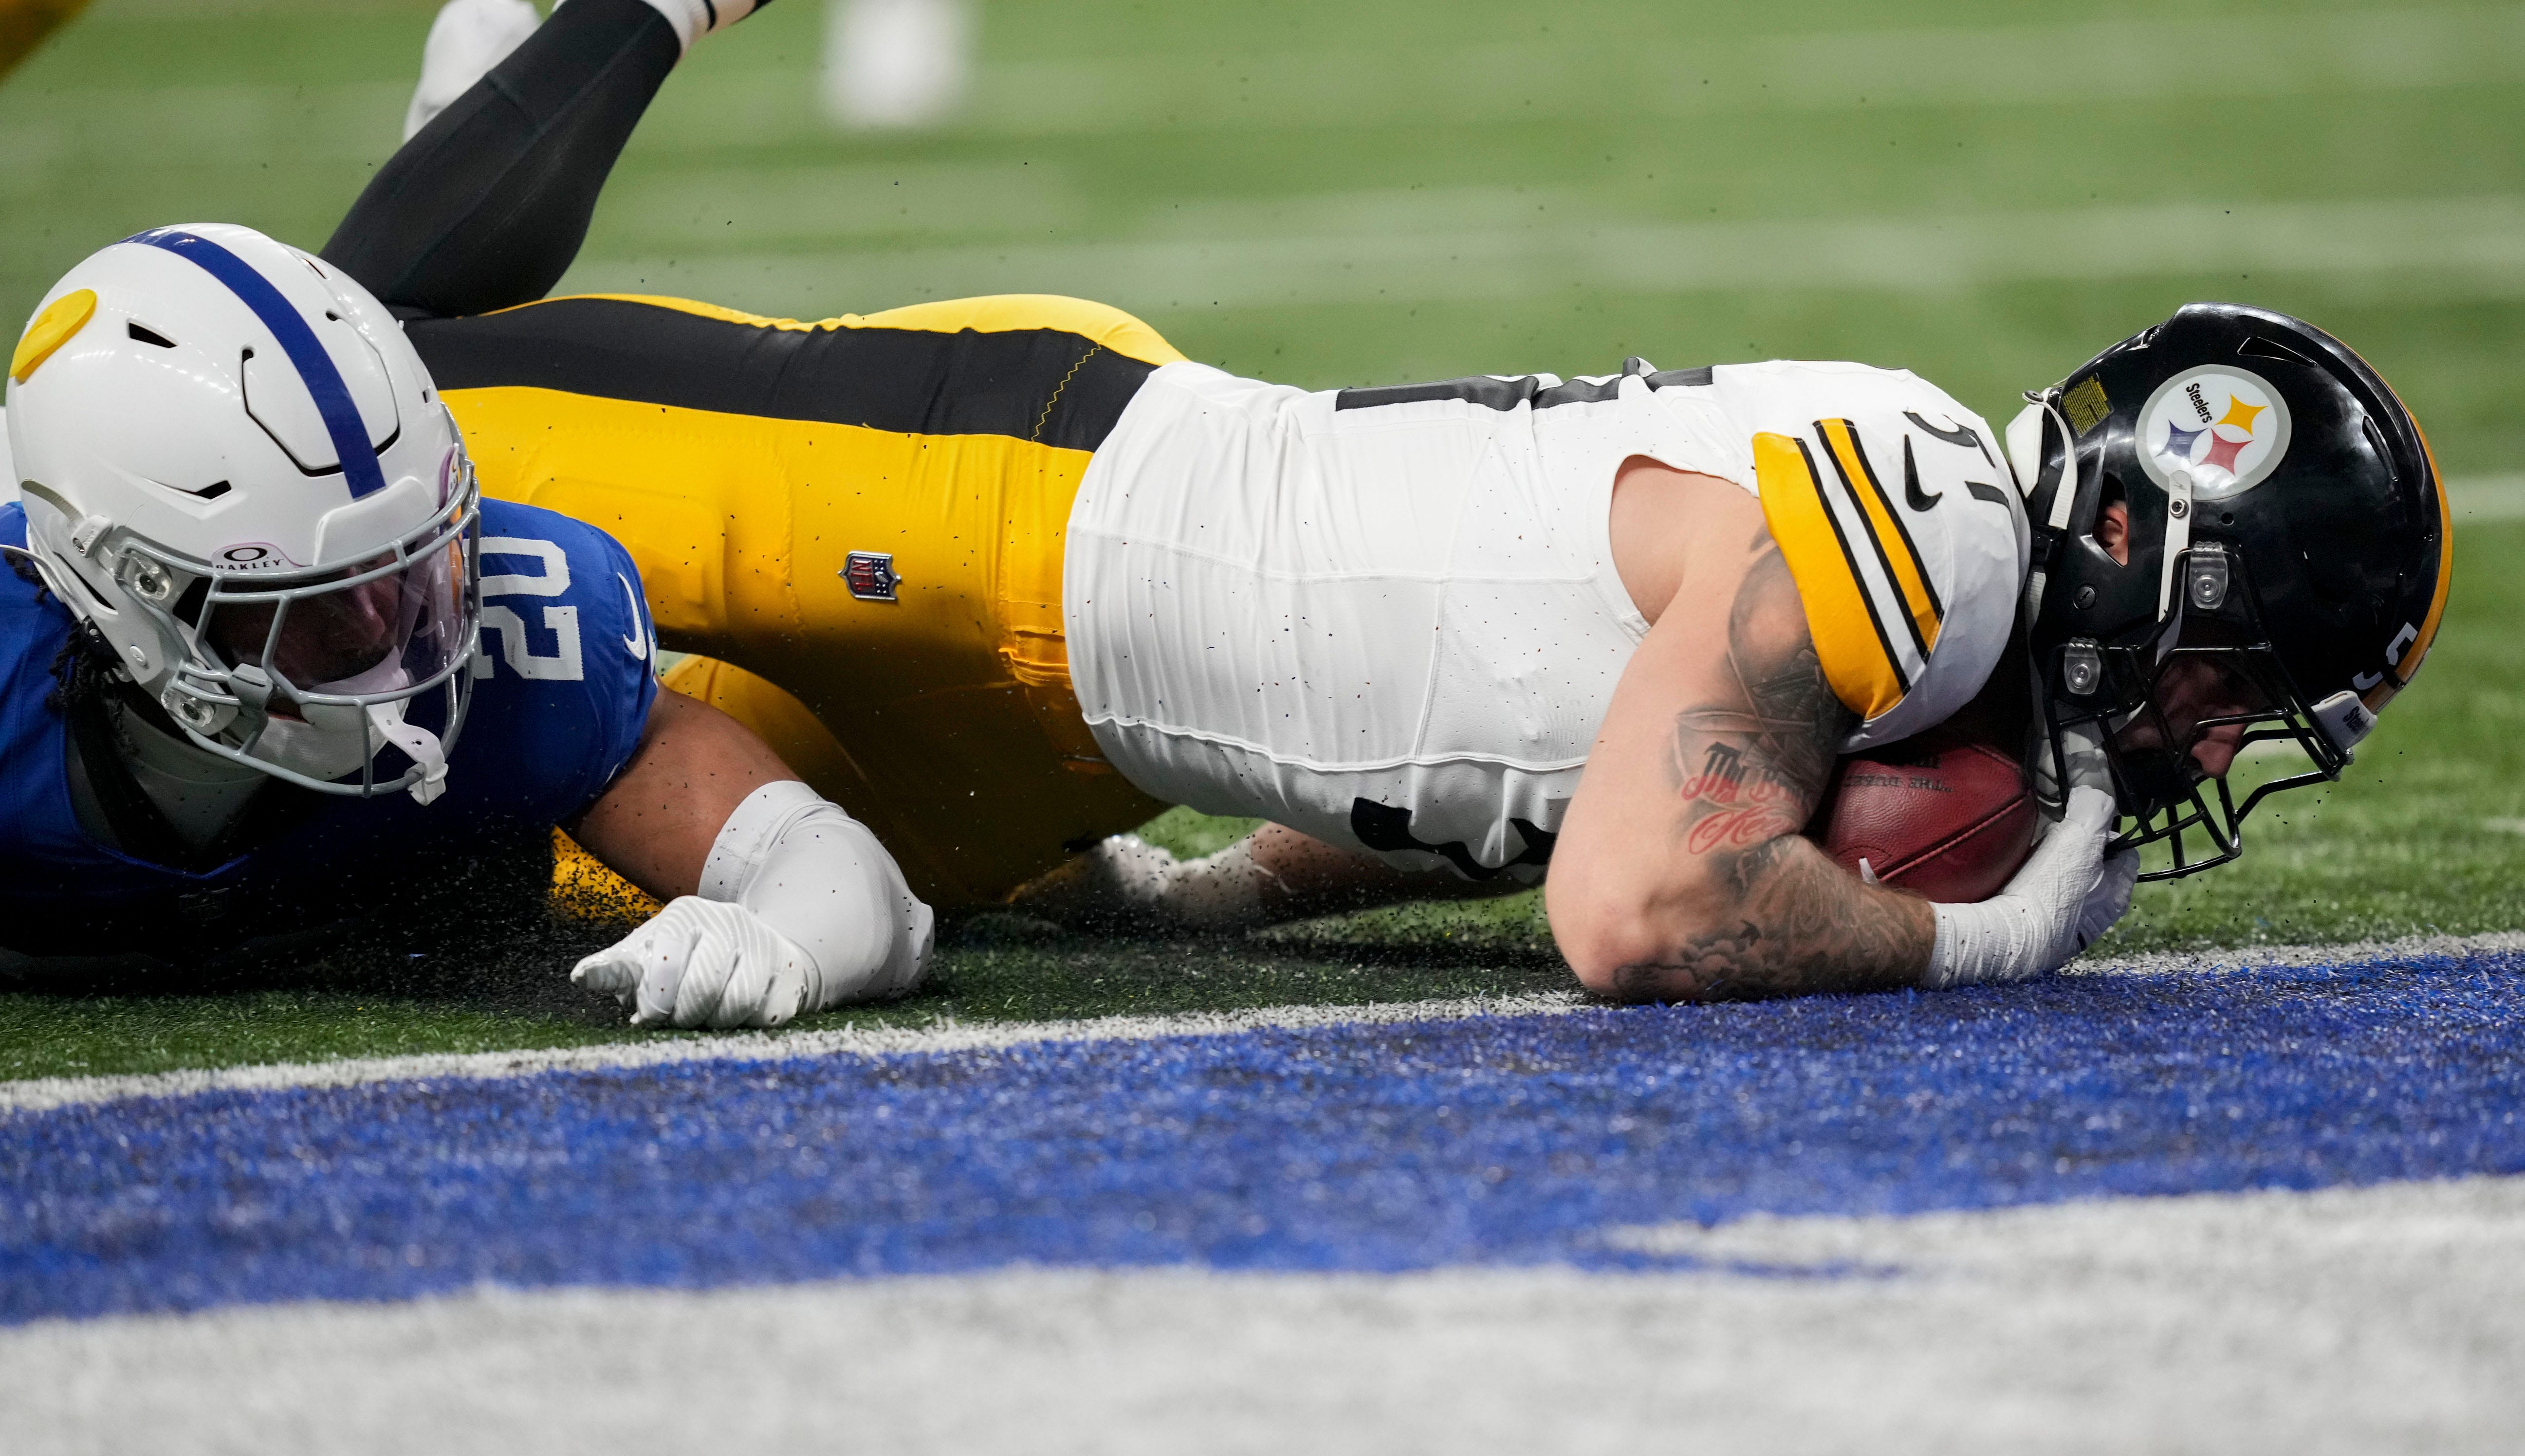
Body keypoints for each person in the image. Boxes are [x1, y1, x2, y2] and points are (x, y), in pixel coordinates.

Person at [12, 0, 2455, 1024]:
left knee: (518, 831)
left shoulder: (1930, 602)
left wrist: (1209, 888)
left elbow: (1521, 776)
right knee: (334, 384)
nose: (2220, 738)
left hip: (1100, 726)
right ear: (2172, 564)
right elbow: (1633, 901)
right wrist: (1959, 956)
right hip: (1018, 502)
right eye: (2249, 680)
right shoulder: (1917, 524)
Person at [0, 0, 935, 1029]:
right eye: (309, 610)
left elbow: (841, 873)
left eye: (408, 577)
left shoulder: (522, 641)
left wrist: (782, 939)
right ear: (128, 595)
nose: (391, 644)